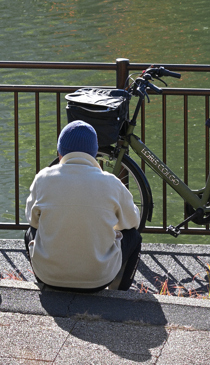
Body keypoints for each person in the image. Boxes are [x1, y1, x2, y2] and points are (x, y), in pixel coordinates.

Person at [24, 120, 141, 291]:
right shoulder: (111, 182)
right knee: (134, 237)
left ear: (59, 153)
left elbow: (33, 220)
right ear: (94, 154)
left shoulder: (43, 178)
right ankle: (119, 294)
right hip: (99, 279)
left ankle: (45, 282)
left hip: (49, 277)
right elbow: (133, 222)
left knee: (29, 233)